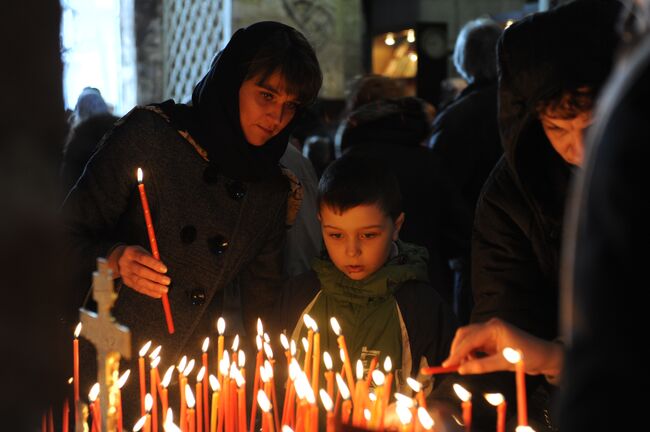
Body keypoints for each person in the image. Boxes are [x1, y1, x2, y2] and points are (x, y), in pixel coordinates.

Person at [62, 21, 322, 424]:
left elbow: (262, 312)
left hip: (191, 381)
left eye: (290, 106)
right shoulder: (149, 136)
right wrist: (115, 259)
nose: (276, 116)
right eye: (266, 95)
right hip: (102, 363)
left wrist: (263, 399)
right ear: (232, 81)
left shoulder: (272, 191)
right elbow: (61, 239)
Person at [467, 1, 622, 429]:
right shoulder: (511, 192)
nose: (580, 149)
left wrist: (556, 357)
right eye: (557, 129)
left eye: (593, 127)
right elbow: (503, 310)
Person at [275, 154, 458, 393]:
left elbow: (445, 391)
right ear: (320, 223)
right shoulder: (298, 296)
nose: (352, 251)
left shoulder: (422, 308)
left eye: (368, 235)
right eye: (336, 235)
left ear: (397, 226)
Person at [337, 97, 471, 309]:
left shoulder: (348, 163)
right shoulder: (429, 162)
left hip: (359, 286)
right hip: (426, 286)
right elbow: (458, 232)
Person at [427, 18, 503, 323]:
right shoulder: (524, 107)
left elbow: (440, 191)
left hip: (473, 253)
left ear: (462, 60)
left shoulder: (456, 118)